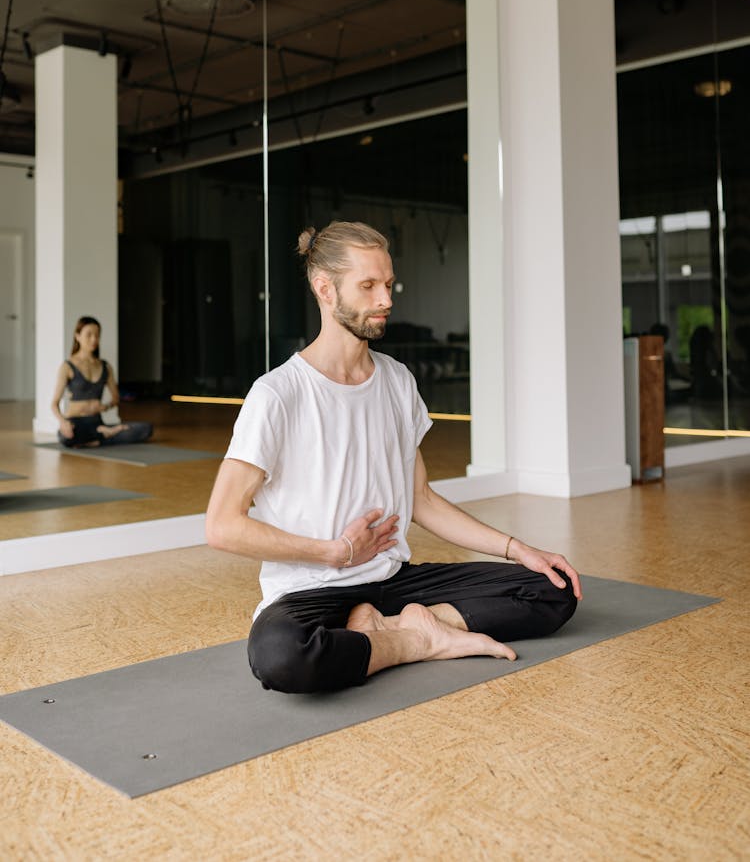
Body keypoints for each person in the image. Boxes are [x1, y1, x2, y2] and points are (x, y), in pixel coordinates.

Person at [206, 222, 581, 694]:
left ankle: (392, 629)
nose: (385, 299)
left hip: (391, 581)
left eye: (388, 284)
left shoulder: (397, 380)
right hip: (312, 589)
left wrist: (519, 549)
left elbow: (420, 499)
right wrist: (336, 552)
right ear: (325, 289)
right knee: (283, 658)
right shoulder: (278, 394)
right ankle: (415, 639)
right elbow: (222, 525)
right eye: (368, 286)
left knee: (552, 589)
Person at [51, 315, 153, 448]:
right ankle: (103, 436)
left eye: (97, 335)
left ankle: (96, 438)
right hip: (75, 423)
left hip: (97, 422)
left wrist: (105, 407)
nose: (94, 339)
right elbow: (54, 403)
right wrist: (63, 422)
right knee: (64, 437)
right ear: (77, 336)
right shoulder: (68, 366)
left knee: (146, 429)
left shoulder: (105, 366)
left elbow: (116, 398)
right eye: (89, 335)